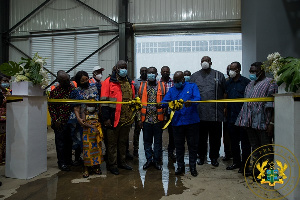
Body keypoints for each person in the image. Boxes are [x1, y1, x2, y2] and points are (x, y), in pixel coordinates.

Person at [235, 62, 277, 178]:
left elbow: (273, 105)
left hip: (264, 123)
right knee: (256, 149)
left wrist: (271, 123)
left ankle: (270, 176)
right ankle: (259, 173)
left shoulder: (270, 83)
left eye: (254, 71)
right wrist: (243, 121)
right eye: (250, 71)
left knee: (267, 151)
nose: (251, 74)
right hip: (250, 123)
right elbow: (246, 104)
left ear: (261, 71)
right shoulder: (250, 84)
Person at [161, 71, 201, 177]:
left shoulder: (192, 87)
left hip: (191, 122)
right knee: (179, 146)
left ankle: (192, 167)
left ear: (183, 79)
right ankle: (180, 166)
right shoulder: (172, 90)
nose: (176, 83)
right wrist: (160, 105)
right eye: (175, 81)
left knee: (192, 145)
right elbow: (164, 102)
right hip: (177, 122)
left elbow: (198, 98)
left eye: (178, 81)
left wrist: (191, 102)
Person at [101, 60, 135, 175]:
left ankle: (122, 162)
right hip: (113, 119)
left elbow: (132, 99)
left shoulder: (129, 82)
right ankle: (113, 165)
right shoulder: (108, 82)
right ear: (116, 68)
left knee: (123, 142)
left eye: (125, 67)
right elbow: (104, 102)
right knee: (112, 144)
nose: (124, 69)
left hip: (126, 119)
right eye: (121, 67)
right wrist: (106, 119)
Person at [190, 56, 226, 167]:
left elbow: (225, 92)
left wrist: (224, 107)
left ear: (211, 62)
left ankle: (214, 157)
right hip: (199, 114)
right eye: (202, 61)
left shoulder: (219, 75)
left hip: (216, 113)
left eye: (207, 61)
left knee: (215, 138)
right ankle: (201, 157)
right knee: (201, 138)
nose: (205, 63)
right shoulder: (194, 76)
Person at [48, 71, 83, 171]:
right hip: (59, 122)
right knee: (60, 144)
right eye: (65, 80)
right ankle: (62, 163)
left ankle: (68, 161)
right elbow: (51, 108)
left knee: (69, 142)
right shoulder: (55, 92)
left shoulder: (72, 89)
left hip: (70, 121)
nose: (68, 81)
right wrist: (56, 120)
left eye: (68, 79)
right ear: (59, 81)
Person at [74, 70, 102, 177]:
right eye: (82, 80)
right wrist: (78, 118)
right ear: (78, 81)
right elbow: (76, 107)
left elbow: (99, 103)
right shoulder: (77, 91)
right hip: (84, 121)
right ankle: (86, 167)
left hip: (96, 120)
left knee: (97, 144)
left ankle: (96, 165)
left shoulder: (94, 87)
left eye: (86, 79)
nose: (85, 81)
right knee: (85, 146)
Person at [225, 62, 251, 175]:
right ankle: (236, 162)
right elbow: (226, 96)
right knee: (234, 142)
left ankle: (245, 166)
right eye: (230, 69)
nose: (231, 71)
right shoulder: (228, 82)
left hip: (243, 117)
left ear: (238, 69)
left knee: (245, 143)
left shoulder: (246, 82)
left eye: (233, 69)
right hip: (231, 117)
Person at [138, 67, 166, 170]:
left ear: (156, 74)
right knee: (147, 141)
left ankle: (156, 161)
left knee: (158, 142)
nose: (150, 74)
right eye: (149, 73)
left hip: (158, 119)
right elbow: (138, 104)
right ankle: (149, 160)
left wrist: (165, 119)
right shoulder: (142, 86)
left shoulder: (162, 86)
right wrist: (139, 120)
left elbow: (166, 102)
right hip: (146, 119)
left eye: (153, 73)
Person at [81, 101, 103, 178]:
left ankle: (96, 167)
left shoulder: (97, 112)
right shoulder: (84, 112)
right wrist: (93, 127)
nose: (91, 107)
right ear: (87, 105)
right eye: (89, 105)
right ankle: (86, 168)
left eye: (93, 105)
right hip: (87, 134)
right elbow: (83, 122)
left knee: (97, 150)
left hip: (96, 135)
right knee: (87, 151)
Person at [160, 66, 175, 161]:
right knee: (158, 133)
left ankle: (171, 151)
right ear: (161, 72)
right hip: (160, 112)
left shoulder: (173, 83)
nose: (165, 73)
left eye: (167, 71)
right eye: (164, 71)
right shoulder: (157, 83)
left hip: (170, 112)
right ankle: (158, 151)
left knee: (172, 134)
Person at [132, 67, 147, 157]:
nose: (144, 73)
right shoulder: (136, 81)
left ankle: (147, 149)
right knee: (137, 130)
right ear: (140, 72)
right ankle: (135, 149)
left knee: (147, 131)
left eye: (146, 71)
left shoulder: (151, 81)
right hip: (138, 109)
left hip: (148, 109)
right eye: (142, 71)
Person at [222, 65, 232, 161]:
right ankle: (227, 153)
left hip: (238, 113)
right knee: (226, 135)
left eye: (231, 69)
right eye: (228, 69)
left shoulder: (245, 82)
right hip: (227, 112)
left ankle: (236, 154)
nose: (229, 71)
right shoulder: (226, 81)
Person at [0, 75, 10, 165]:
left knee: (5, 139)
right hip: (1, 119)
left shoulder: (8, 92)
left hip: (7, 118)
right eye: (4, 81)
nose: (6, 83)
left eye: (7, 81)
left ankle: (3, 156)